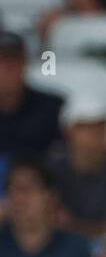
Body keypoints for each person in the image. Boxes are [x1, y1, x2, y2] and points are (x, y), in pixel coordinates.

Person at [48, 99, 106, 240]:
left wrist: (71, 225)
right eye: (86, 128)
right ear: (68, 131)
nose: (95, 134)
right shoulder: (51, 169)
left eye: (101, 127)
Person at [0, 32, 64, 168]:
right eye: (2, 61)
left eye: (14, 60)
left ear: (25, 63)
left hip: (42, 183)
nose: (9, 67)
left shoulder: (52, 107)